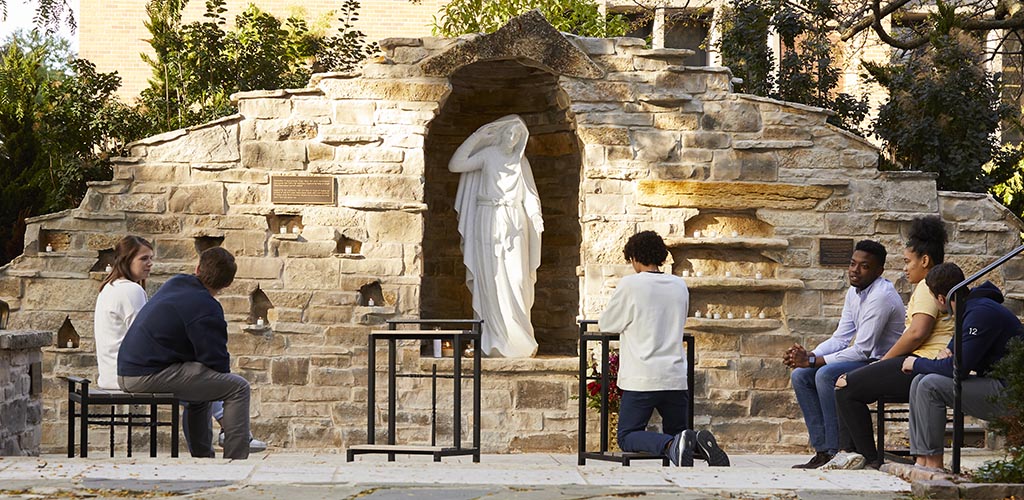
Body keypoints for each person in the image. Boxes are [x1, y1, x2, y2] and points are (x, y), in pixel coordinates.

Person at [827, 217, 952, 469]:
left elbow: (917, 333)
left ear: (924, 261)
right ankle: (852, 453)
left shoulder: (928, 286)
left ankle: (867, 457)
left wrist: (884, 362)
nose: (905, 268)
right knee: (845, 382)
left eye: (908, 262)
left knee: (845, 385)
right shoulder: (929, 286)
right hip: (917, 363)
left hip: (922, 365)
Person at [599, 231, 729, 467]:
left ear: (634, 258)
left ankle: (669, 446)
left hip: (643, 376)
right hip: (675, 375)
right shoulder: (679, 285)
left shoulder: (631, 284)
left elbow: (608, 323)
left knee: (627, 437)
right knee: (680, 433)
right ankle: (697, 443)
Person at [117, 247, 252, 459]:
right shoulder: (206, 307)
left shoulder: (175, 284)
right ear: (228, 284)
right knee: (238, 387)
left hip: (129, 369)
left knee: (200, 391)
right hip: (145, 375)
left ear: (197, 268)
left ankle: (202, 458)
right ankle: (236, 459)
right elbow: (217, 363)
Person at [784, 240, 905, 469]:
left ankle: (838, 450)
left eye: (864, 266)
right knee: (800, 376)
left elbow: (863, 349)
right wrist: (811, 355)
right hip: (865, 360)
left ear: (879, 271)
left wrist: (813, 361)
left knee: (825, 374)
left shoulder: (881, 296)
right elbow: (841, 338)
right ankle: (823, 451)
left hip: (884, 363)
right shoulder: (854, 292)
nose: (855, 270)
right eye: (852, 264)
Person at [902, 263, 1023, 472]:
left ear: (941, 298)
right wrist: (943, 360)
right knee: (919, 381)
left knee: (930, 384)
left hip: (1011, 393)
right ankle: (922, 460)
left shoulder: (981, 313)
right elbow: (949, 357)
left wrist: (916, 362)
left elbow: (956, 368)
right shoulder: (969, 309)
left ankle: (934, 466)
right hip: (998, 385)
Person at [449, 114, 543, 358]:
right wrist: (476, 138)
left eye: (518, 135)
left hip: (515, 221)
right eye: (510, 133)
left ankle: (519, 338)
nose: (513, 139)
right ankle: (492, 337)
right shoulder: (488, 155)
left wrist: (535, 216)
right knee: (490, 277)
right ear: (502, 134)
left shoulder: (521, 162)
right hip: (488, 217)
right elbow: (456, 165)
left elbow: (530, 195)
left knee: (518, 277)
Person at [94, 236, 153, 390]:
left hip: (109, 375)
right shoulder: (131, 290)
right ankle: (220, 414)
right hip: (127, 376)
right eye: (144, 259)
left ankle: (216, 413)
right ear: (127, 260)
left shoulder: (108, 287)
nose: (150, 263)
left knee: (191, 381)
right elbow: (144, 340)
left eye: (151, 258)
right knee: (195, 375)